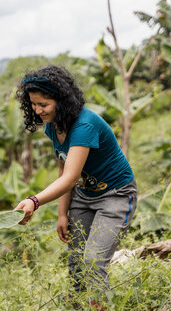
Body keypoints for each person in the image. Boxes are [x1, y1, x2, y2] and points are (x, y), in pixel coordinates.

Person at [14, 66, 137, 302]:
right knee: (76, 262)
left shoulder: (84, 126)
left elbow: (70, 178)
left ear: (61, 100)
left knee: (93, 260)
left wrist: (34, 201)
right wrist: (63, 214)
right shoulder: (54, 126)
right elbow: (63, 168)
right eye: (33, 104)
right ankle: (78, 306)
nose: (38, 110)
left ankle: (99, 307)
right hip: (84, 194)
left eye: (44, 104)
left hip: (115, 194)